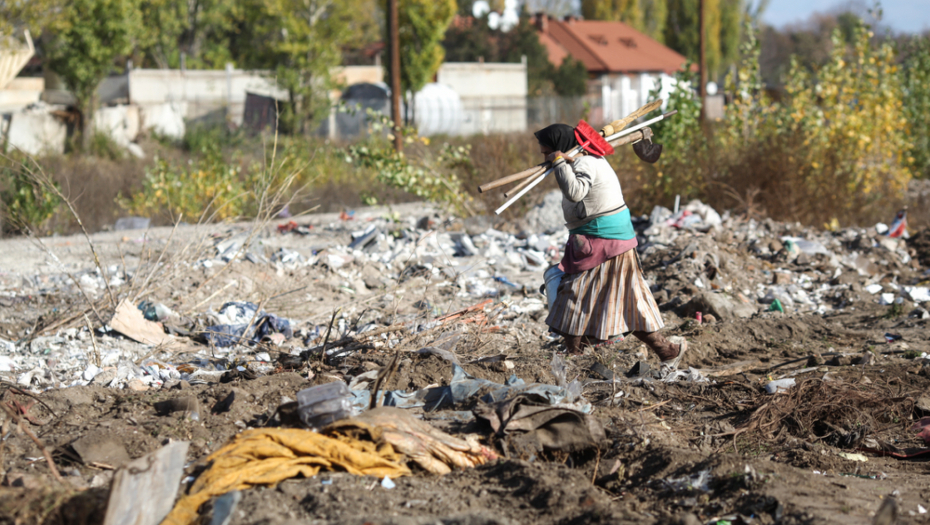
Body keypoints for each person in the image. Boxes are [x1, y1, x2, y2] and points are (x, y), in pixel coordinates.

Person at [535, 123, 687, 369]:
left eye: (547, 152)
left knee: (573, 298)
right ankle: (666, 350)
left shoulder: (584, 162)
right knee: (626, 302)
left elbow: (575, 192)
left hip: (603, 242)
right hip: (607, 240)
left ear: (560, 147)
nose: (545, 157)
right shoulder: (582, 160)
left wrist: (559, 163)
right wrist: (561, 162)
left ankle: (574, 359)